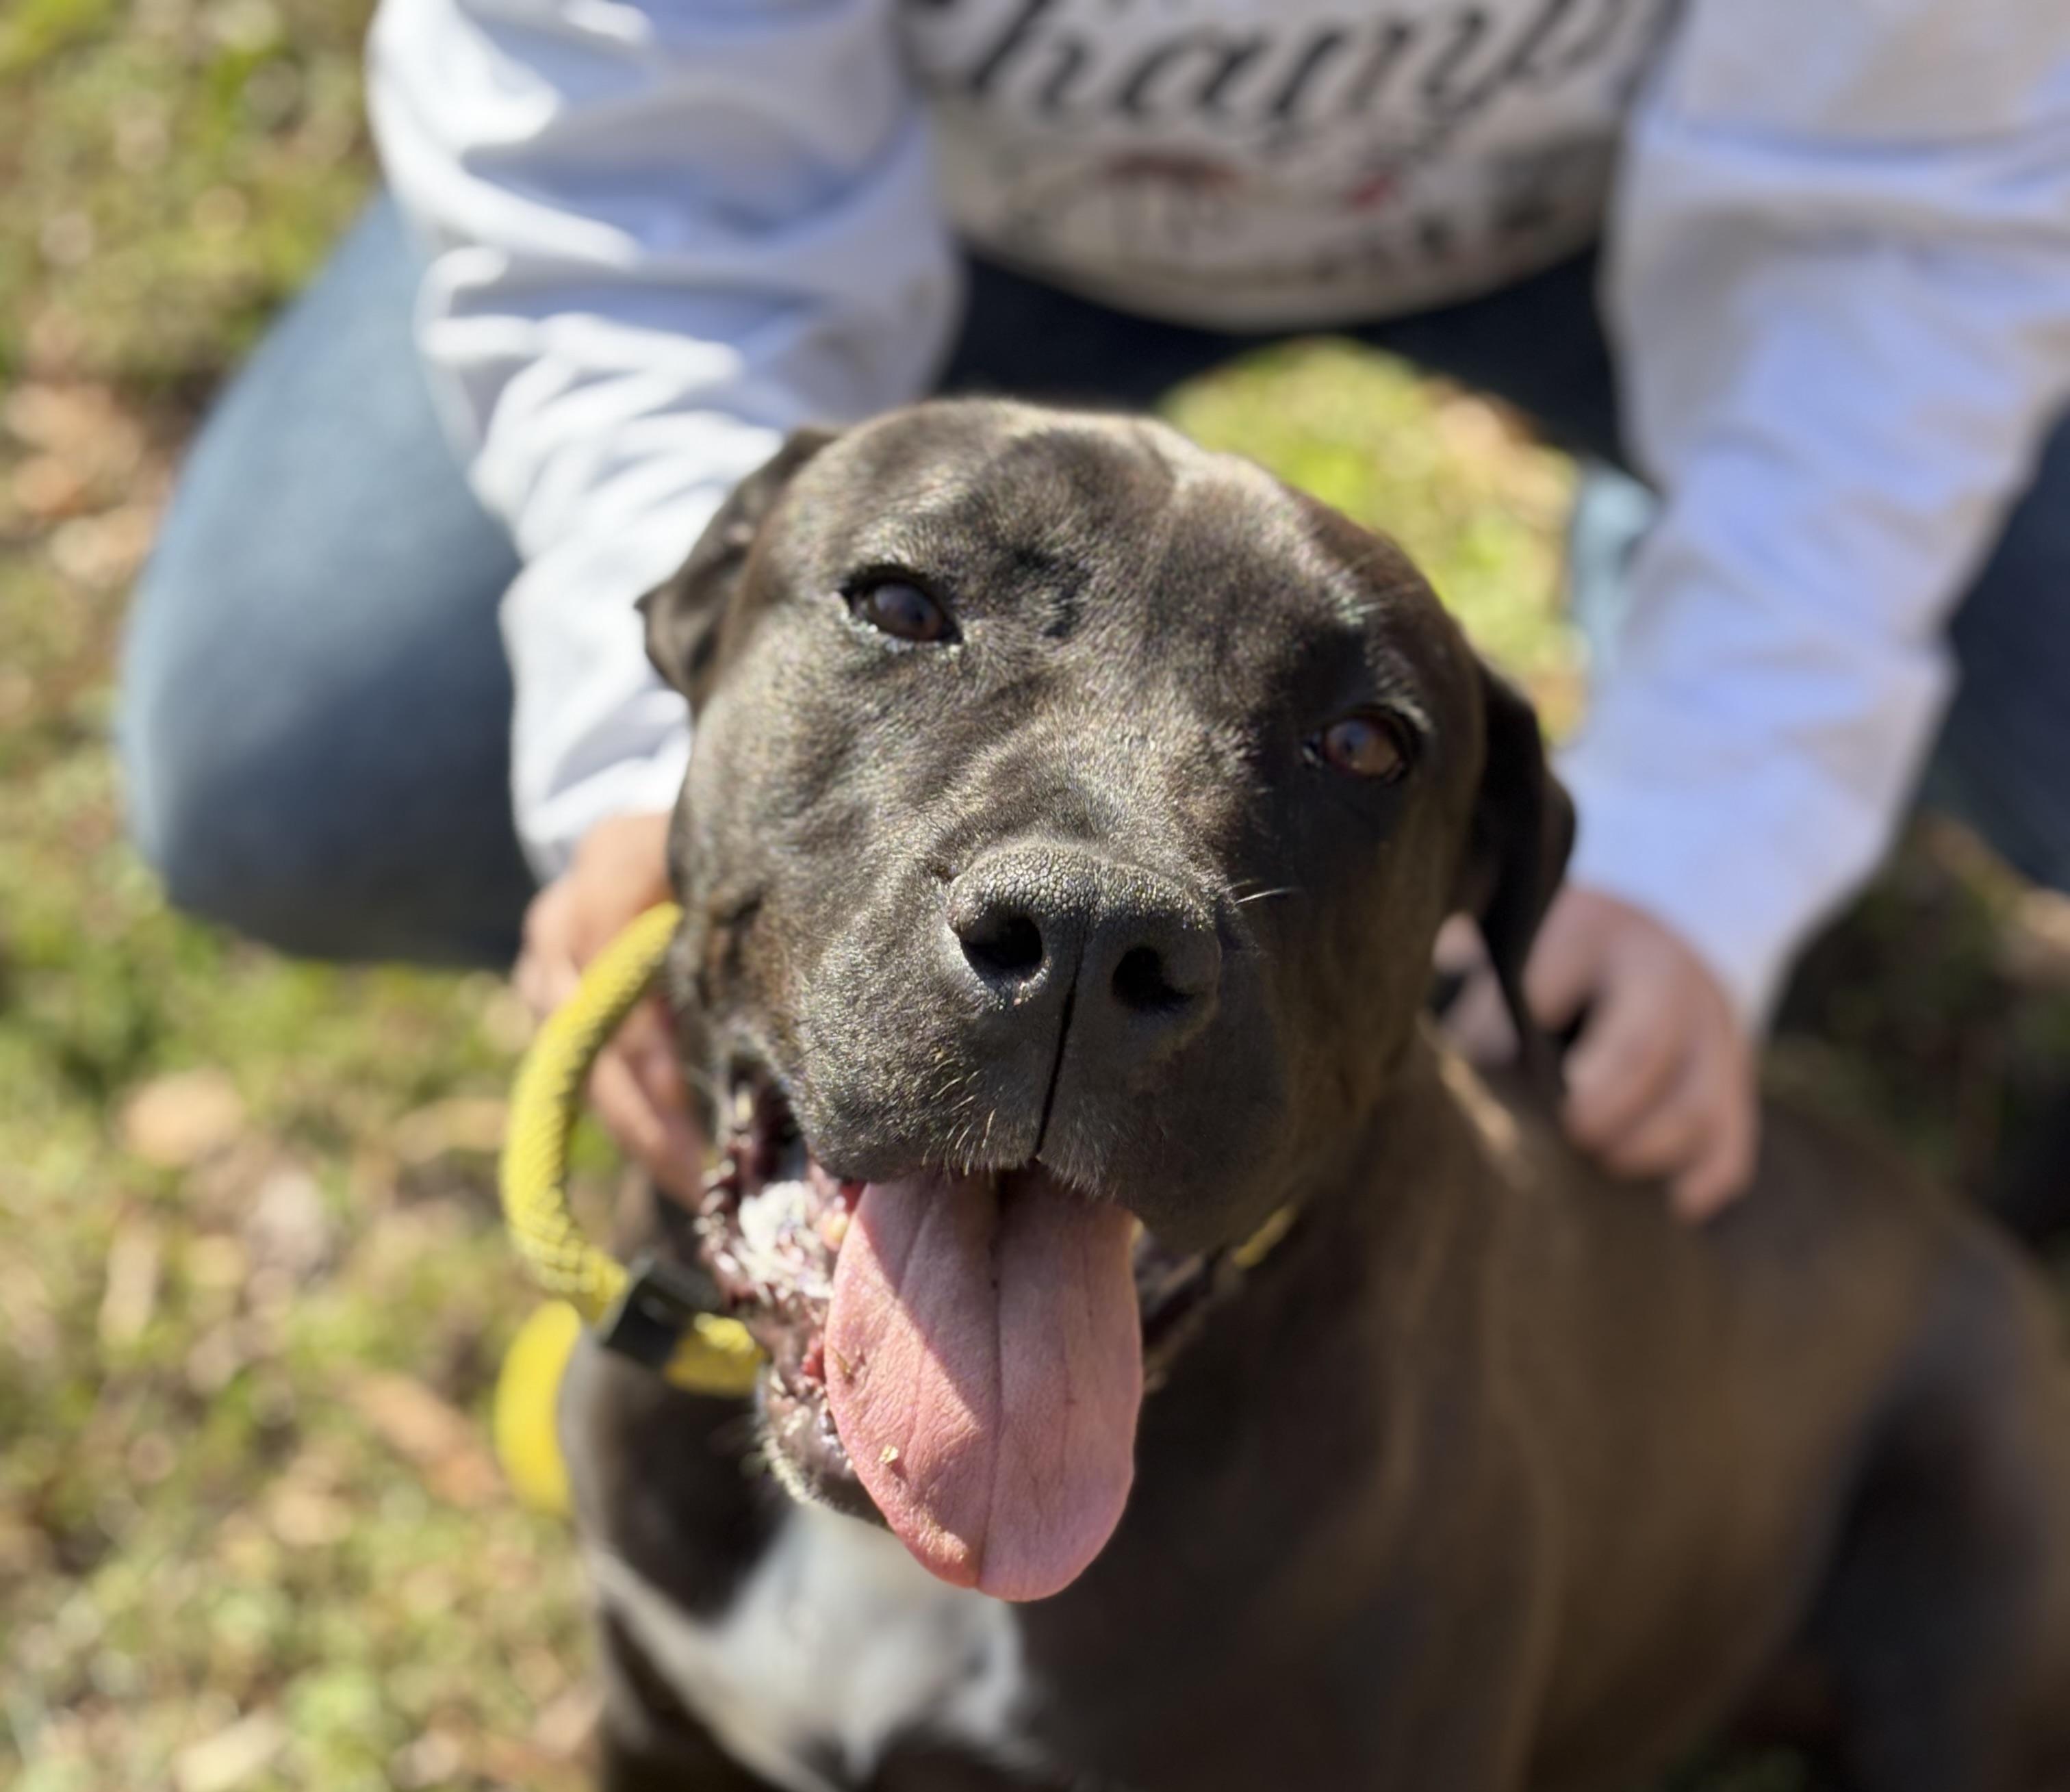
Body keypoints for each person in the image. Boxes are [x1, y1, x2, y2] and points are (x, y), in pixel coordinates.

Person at [120, 1, 2070, 1225]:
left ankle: (1675, 541)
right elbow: (643, 218)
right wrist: (671, 764)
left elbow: (1900, 223)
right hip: (937, 191)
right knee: (308, 759)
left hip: (1618, 185)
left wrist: (1722, 805)